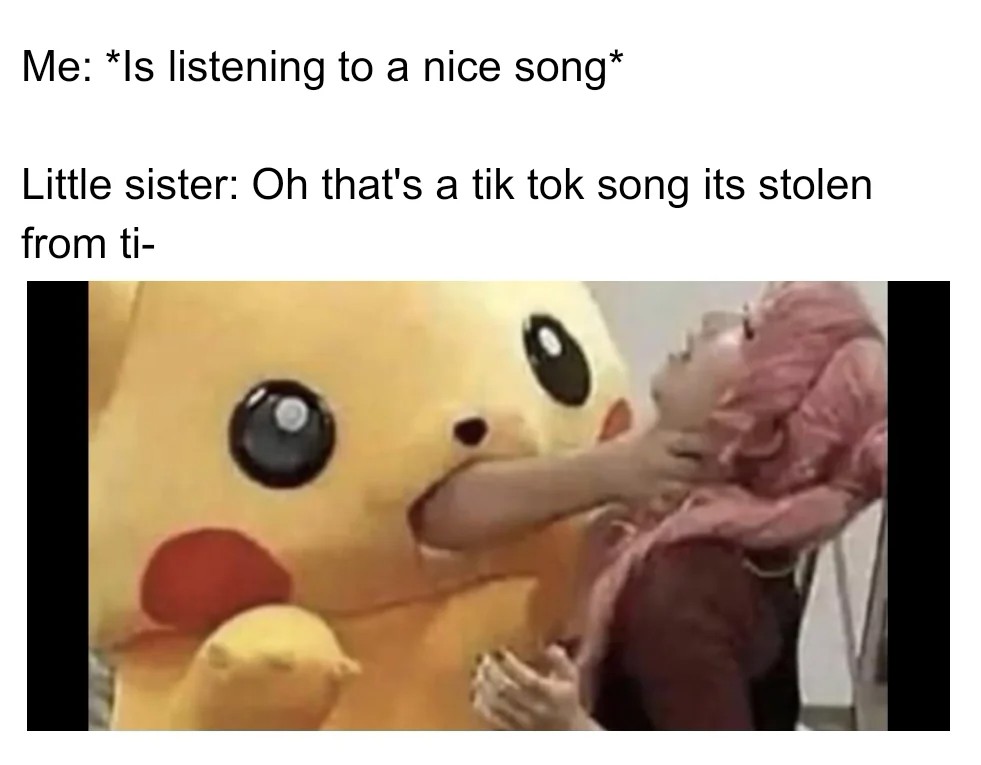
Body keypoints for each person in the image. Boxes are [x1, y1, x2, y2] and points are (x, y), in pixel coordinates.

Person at [461, 282, 886, 730]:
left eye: (749, 330)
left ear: (766, 428)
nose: (712, 323)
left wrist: (573, 732)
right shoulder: (731, 551)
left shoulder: (684, 591)